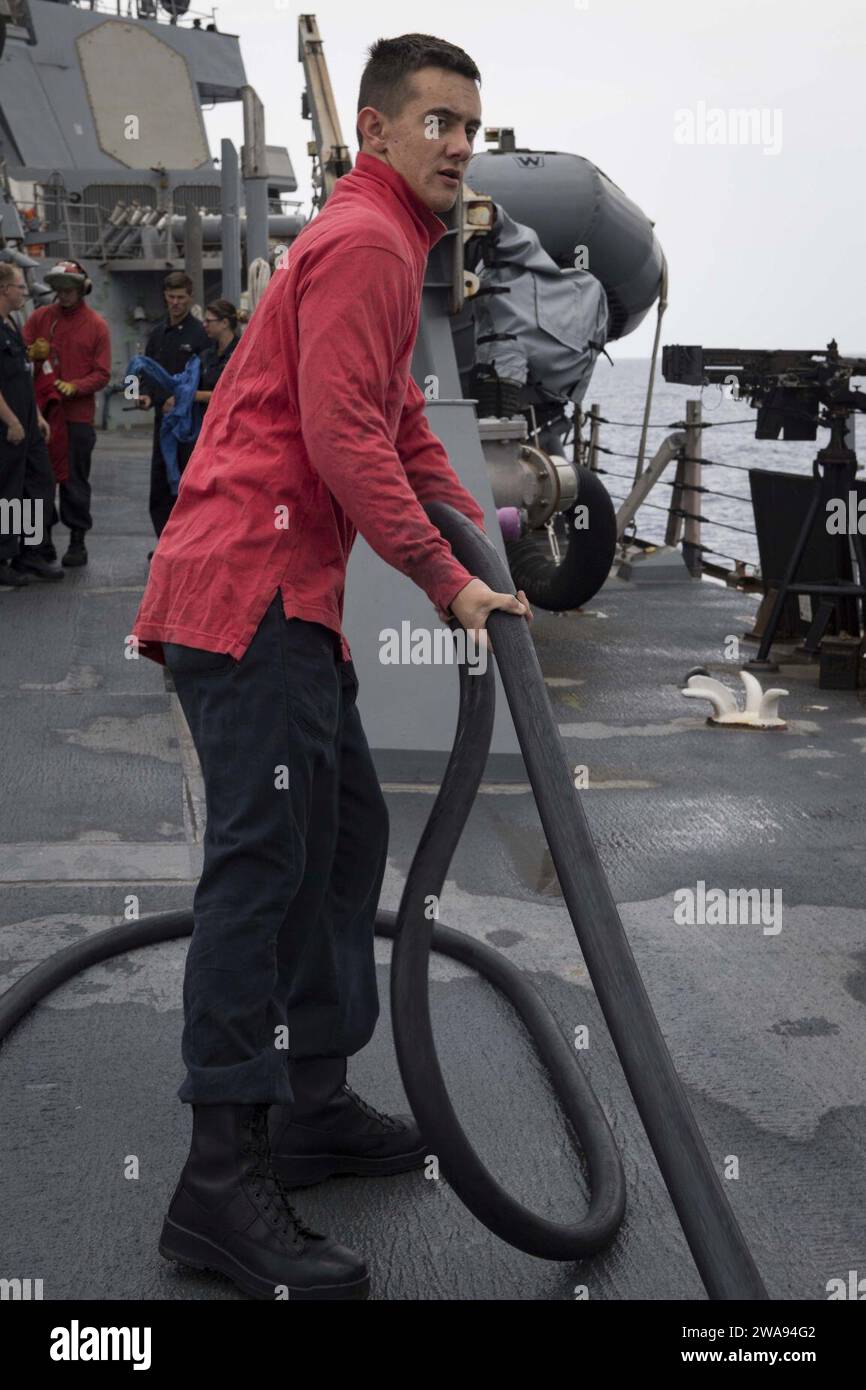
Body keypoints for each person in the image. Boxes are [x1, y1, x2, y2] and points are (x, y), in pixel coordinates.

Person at [130, 33, 532, 1301]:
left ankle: (307, 1101)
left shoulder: (383, 247)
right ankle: (215, 1181)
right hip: (249, 593)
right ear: (374, 132)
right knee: (264, 867)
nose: (459, 143)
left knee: (344, 838)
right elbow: (342, 436)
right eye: (436, 123)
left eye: (471, 124)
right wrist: (447, 579)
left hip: (286, 598)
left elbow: (402, 425)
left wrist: (476, 545)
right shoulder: (364, 241)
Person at [23, 259, 111, 568]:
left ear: (82, 289)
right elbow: (18, 360)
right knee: (35, 481)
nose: (63, 294)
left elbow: (103, 373)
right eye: (59, 288)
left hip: (76, 419)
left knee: (74, 481)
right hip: (41, 417)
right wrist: (29, 355)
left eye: (69, 288)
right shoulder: (39, 319)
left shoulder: (96, 326)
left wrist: (75, 386)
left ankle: (77, 540)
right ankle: (35, 544)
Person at [0, 263, 64, 586]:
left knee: (39, 484)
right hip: (8, 425)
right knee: (10, 492)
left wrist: (36, 415)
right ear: (4, 290)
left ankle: (31, 551)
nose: (24, 293)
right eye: (20, 287)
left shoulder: (11, 324)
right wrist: (11, 420)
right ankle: (3, 556)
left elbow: (23, 375)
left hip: (27, 421)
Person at [136, 271, 208, 540]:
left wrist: (182, 399)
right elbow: (140, 370)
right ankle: (164, 542)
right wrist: (139, 395)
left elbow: (206, 375)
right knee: (161, 483)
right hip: (162, 423)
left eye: (180, 297)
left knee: (188, 483)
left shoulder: (200, 335)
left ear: (190, 298)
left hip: (190, 425)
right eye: (170, 297)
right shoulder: (157, 334)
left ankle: (188, 543)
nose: (175, 302)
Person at [158, 298, 239, 424]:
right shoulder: (206, 355)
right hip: (206, 423)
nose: (204, 324)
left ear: (224, 323)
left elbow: (235, 394)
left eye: (208, 321)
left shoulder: (242, 355)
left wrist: (194, 395)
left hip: (231, 424)